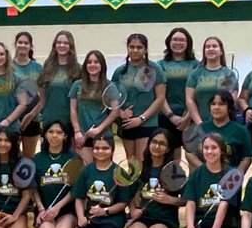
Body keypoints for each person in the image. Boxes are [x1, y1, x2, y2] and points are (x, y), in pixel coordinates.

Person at [182, 134, 240, 228]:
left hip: (223, 224)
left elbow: (224, 205)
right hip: (203, 221)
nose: (209, 151)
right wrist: (190, 226)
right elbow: (190, 202)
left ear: (222, 151)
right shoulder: (197, 173)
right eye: (206, 148)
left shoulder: (231, 174)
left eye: (214, 148)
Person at [123, 129, 181, 228]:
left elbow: (187, 200)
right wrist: (133, 210)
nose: (157, 146)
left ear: (168, 149)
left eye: (162, 143)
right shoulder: (141, 168)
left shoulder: (174, 171)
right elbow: (130, 195)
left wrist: (170, 200)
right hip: (144, 217)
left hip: (165, 219)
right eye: (154, 142)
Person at [113, 33, 168, 162]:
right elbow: (112, 97)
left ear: (145, 49)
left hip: (147, 123)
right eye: (132, 47)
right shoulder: (120, 71)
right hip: (127, 124)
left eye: (139, 47)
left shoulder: (155, 69)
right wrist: (121, 113)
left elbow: (160, 98)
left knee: (143, 160)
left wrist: (141, 118)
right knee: (131, 162)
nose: (135, 50)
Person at [25, 31, 79, 160]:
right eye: (59, 42)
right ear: (54, 45)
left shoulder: (78, 69)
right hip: (50, 121)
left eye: (65, 43)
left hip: (69, 122)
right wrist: (33, 115)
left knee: (70, 159)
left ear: (71, 46)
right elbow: (42, 99)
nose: (62, 45)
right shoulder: (47, 68)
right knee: (48, 158)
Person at [72, 134, 129, 228]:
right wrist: (81, 217)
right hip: (91, 217)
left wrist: (105, 211)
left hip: (112, 218)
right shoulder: (86, 171)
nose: (100, 151)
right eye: (97, 148)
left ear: (112, 151)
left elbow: (123, 203)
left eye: (105, 148)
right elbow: (79, 197)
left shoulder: (120, 173)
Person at [32, 121, 79, 228]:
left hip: (66, 210)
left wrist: (57, 208)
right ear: (45, 135)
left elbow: (75, 190)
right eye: (51, 132)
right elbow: (34, 188)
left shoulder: (74, 159)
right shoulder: (36, 159)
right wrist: (41, 209)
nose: (54, 136)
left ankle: (68, 225)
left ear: (65, 136)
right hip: (44, 211)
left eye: (59, 132)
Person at [69, 50, 119, 163]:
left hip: (104, 136)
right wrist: (77, 132)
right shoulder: (77, 85)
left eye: (96, 62)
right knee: (86, 168)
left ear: (102, 65)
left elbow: (115, 111)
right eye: (89, 62)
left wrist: (98, 129)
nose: (92, 65)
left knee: (103, 170)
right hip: (82, 136)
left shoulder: (109, 86)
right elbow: (73, 109)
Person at [158, 28, 199, 158]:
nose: (178, 43)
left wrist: (187, 117)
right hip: (166, 116)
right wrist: (171, 116)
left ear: (188, 43)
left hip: (190, 118)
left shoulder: (197, 65)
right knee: (170, 156)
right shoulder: (160, 65)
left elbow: (197, 93)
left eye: (182, 40)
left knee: (193, 154)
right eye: (175, 39)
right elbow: (159, 95)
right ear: (169, 42)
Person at [190, 90, 252, 172]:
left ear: (229, 108)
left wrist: (236, 177)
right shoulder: (201, 128)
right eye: (213, 104)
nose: (216, 107)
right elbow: (189, 153)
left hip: (228, 178)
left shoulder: (241, 131)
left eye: (221, 104)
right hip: (204, 178)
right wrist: (205, 170)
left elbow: (247, 158)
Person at [186, 36, 236, 127]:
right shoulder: (195, 73)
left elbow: (231, 101)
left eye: (214, 46)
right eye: (207, 47)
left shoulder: (228, 74)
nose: (211, 49)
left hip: (222, 124)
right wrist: (199, 123)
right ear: (204, 52)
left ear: (221, 51)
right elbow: (190, 100)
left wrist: (219, 123)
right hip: (199, 122)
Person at [11, 32, 44, 156]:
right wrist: (14, 119)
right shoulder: (8, 67)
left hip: (32, 118)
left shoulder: (38, 68)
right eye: (20, 42)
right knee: (13, 157)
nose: (23, 45)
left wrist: (30, 116)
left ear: (30, 46)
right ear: (15, 44)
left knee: (28, 159)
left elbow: (43, 97)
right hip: (12, 120)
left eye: (26, 43)